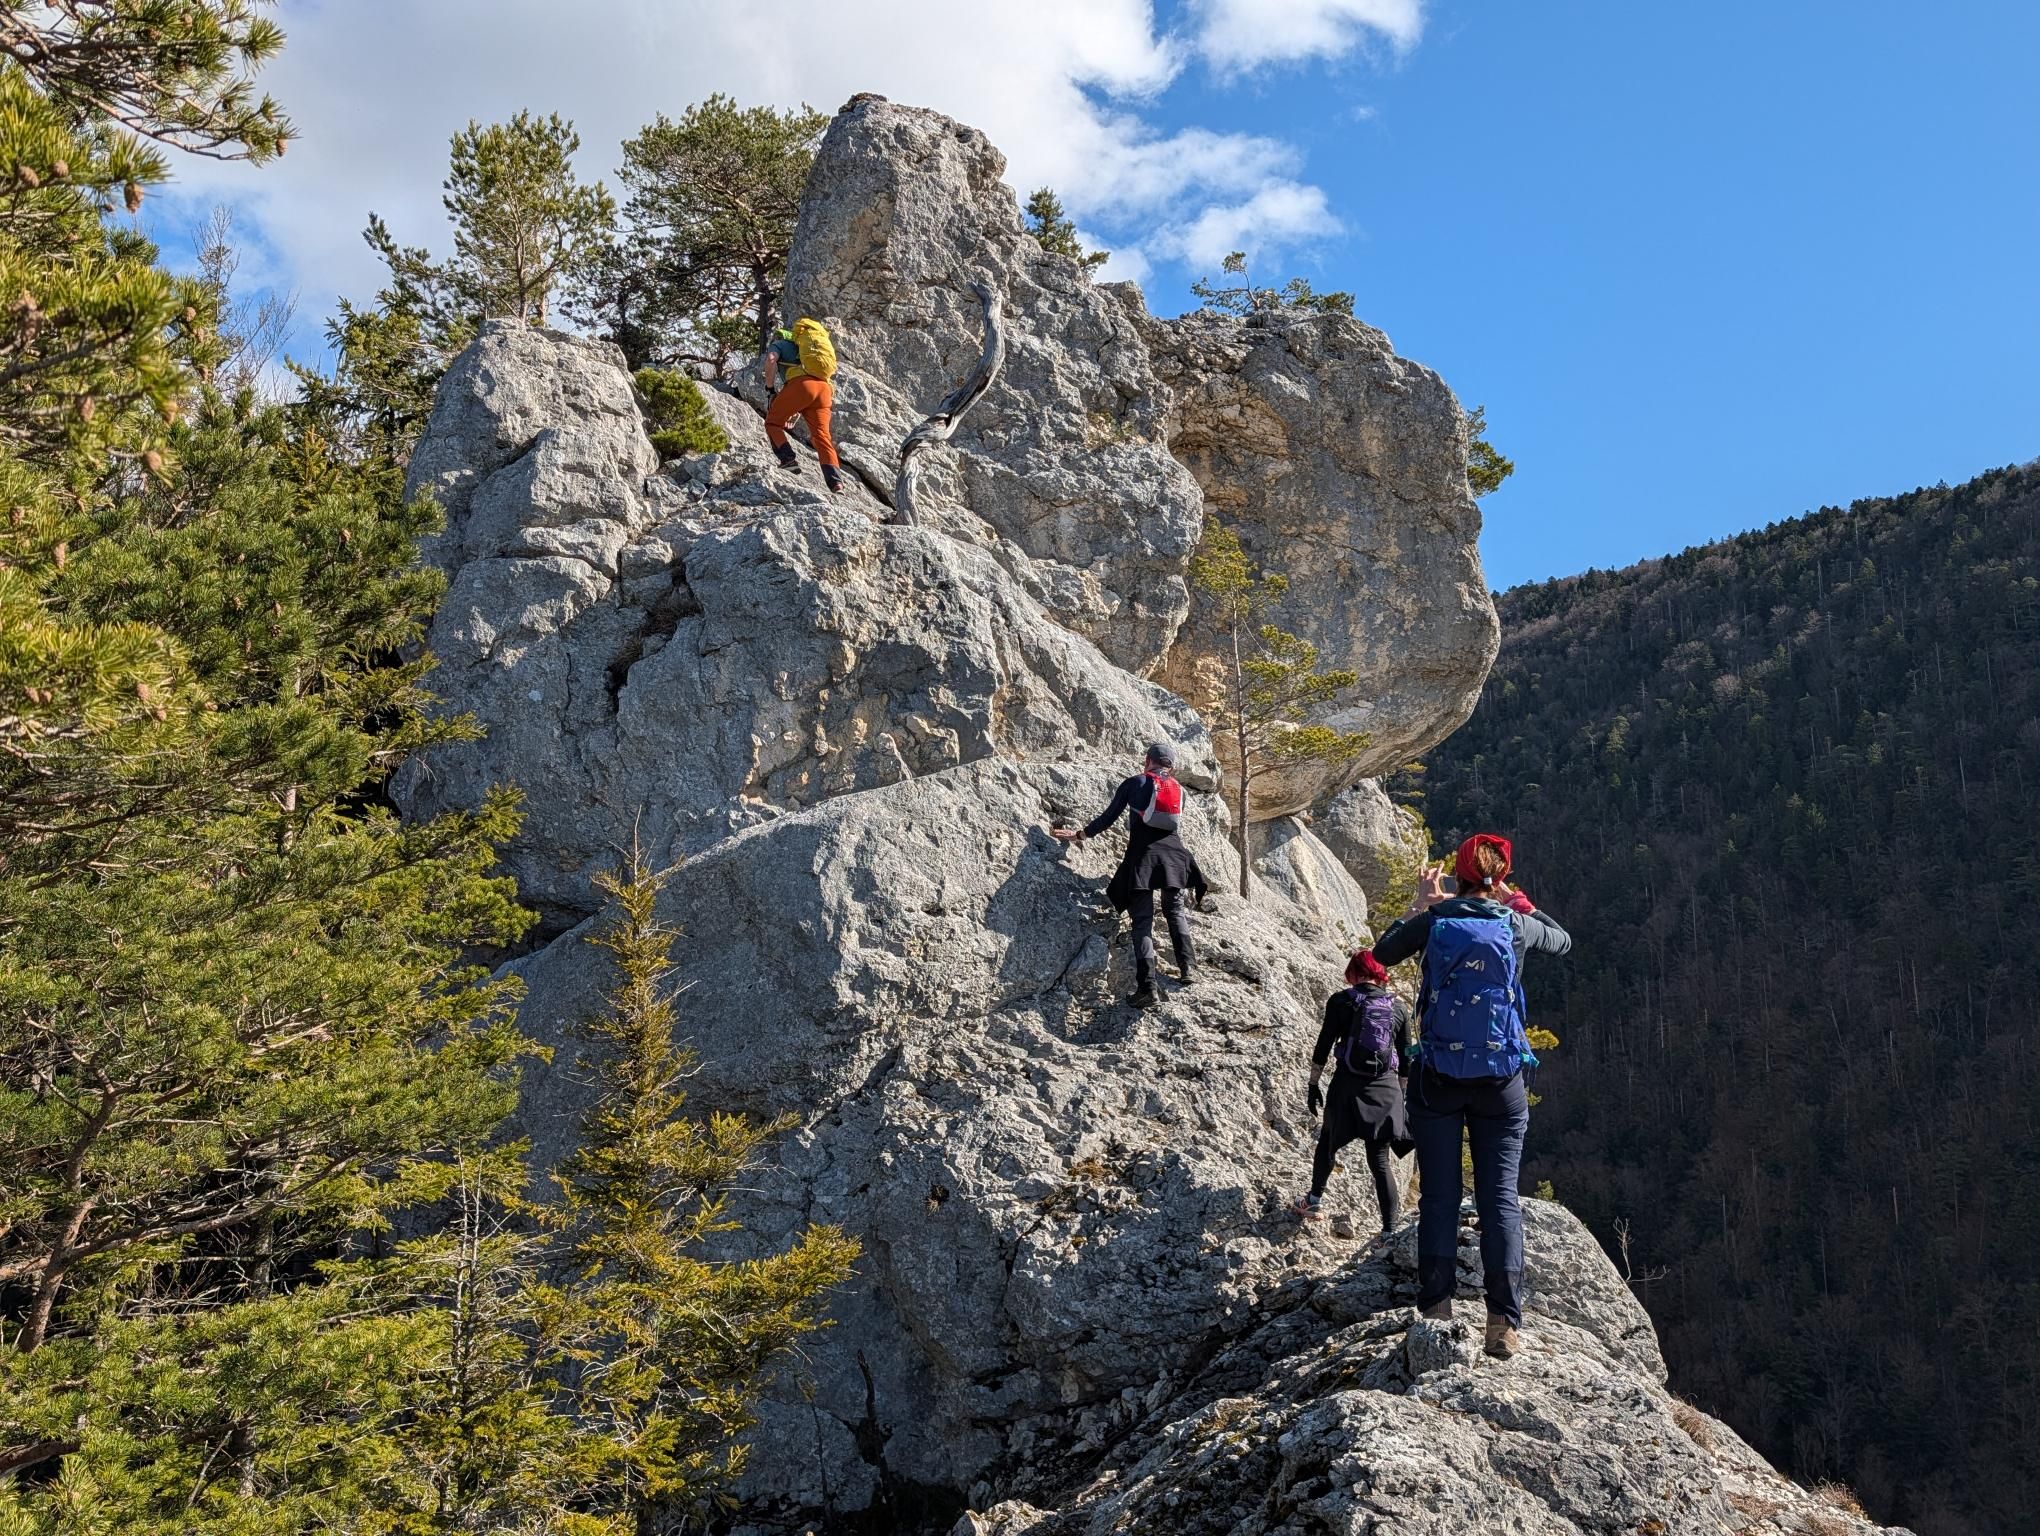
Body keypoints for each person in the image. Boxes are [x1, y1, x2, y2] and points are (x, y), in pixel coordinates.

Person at [1370, 833, 1570, 1361]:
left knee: (1440, 1197)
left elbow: (1378, 957)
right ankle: (1502, 1323)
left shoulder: (1435, 921)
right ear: (1499, 877)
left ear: (1456, 876)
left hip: (1438, 1077)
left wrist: (1418, 905)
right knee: (1498, 1199)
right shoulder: (1515, 924)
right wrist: (1518, 901)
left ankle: (1437, 1311)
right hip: (1501, 1082)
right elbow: (1563, 940)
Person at [1050, 743, 1207, 1008]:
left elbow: (1108, 817)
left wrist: (1079, 835)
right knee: (1175, 911)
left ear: (1147, 761)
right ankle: (1189, 968)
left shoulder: (1136, 782)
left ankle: (1148, 989)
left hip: (1143, 858)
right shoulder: (1178, 790)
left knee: (1142, 922)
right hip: (1175, 857)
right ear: (1171, 766)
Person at [1294, 949, 1413, 1241]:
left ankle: (1313, 1201)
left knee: (1328, 1144)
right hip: (1385, 1089)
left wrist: (1313, 1084)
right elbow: (1406, 1058)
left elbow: (1323, 1045)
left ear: (1353, 973)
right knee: (1380, 1161)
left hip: (1347, 1085)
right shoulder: (1398, 1008)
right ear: (1379, 974)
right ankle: (1389, 1230)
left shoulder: (1341, 1001)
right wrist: (1401, 1097)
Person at [765, 317, 842, 495]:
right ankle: (837, 483)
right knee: (822, 437)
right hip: (825, 390)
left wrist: (769, 389)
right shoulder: (808, 349)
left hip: (802, 386)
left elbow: (770, 360)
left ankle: (788, 461)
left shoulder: (779, 344)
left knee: (772, 423)